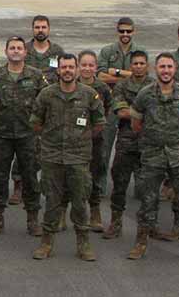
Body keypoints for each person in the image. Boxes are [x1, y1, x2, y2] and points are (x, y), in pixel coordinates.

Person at [127, 53, 179, 262]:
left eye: (169, 66)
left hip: (178, 156)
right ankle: (141, 242)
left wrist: (177, 139)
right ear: (155, 69)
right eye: (162, 67)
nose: (166, 70)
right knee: (148, 201)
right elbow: (136, 124)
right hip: (152, 156)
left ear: (175, 69)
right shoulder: (145, 95)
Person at [29, 54, 105, 262]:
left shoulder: (89, 95)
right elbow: (36, 121)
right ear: (58, 70)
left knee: (80, 201)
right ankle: (46, 242)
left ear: (78, 69)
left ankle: (83, 243)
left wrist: (81, 139)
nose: (68, 71)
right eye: (64, 67)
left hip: (78, 157)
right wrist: (50, 137)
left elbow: (99, 123)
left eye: (71, 67)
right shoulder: (47, 94)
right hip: (52, 156)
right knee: (52, 201)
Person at [0, 36, 45, 237]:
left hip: (28, 134)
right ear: (6, 52)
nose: (16, 51)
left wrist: (39, 126)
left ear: (25, 52)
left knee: (30, 177)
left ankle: (33, 219)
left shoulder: (36, 76)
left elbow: (45, 101)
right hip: (1, 134)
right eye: (12, 48)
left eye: (19, 48)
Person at [103, 50, 154, 240]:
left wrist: (134, 111)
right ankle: (115, 223)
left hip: (149, 143)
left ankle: (150, 225)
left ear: (147, 66)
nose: (139, 66)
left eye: (142, 63)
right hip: (126, 141)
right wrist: (146, 113)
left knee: (149, 188)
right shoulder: (122, 86)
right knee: (119, 184)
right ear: (130, 66)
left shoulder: (154, 86)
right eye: (136, 63)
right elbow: (121, 112)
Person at [95, 17, 143, 215]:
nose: (125, 35)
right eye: (122, 31)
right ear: (117, 31)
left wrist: (113, 73)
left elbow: (140, 75)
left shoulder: (140, 52)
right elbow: (100, 76)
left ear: (133, 32)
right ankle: (98, 187)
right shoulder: (107, 51)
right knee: (104, 147)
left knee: (136, 148)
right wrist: (126, 73)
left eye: (128, 31)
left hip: (130, 106)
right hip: (109, 105)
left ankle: (142, 188)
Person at [78, 51, 112, 232]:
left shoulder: (103, 89)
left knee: (95, 174)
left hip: (95, 139)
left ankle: (95, 211)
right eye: (83, 65)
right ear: (78, 66)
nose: (87, 68)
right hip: (73, 140)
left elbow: (106, 111)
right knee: (69, 176)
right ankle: (62, 212)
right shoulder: (71, 85)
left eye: (91, 65)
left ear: (96, 67)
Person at [24, 15, 65, 81]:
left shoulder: (57, 51)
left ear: (48, 29)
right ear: (32, 29)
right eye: (37, 27)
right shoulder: (23, 50)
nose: (40, 30)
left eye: (44, 27)